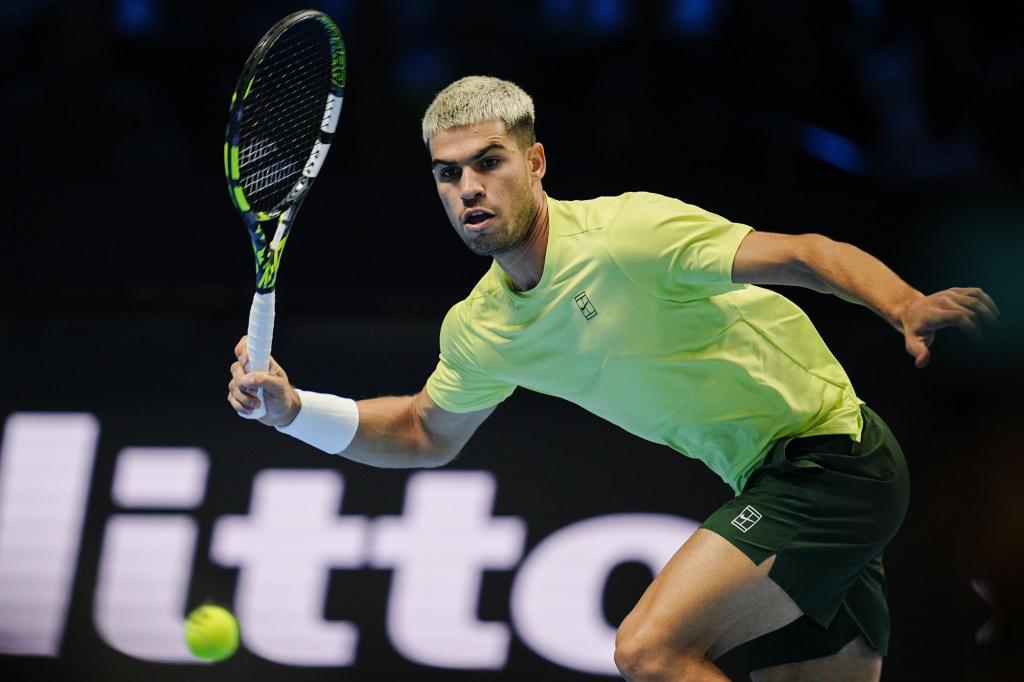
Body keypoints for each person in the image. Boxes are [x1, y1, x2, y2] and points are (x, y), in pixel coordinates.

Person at [226, 76, 999, 681]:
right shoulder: (482, 328)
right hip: (775, 482)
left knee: (649, 651)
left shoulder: (630, 234)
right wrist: (293, 411)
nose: (468, 188)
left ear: (534, 162)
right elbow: (425, 433)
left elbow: (804, 252)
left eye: (488, 163)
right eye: (446, 173)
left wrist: (903, 303)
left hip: (832, 461)